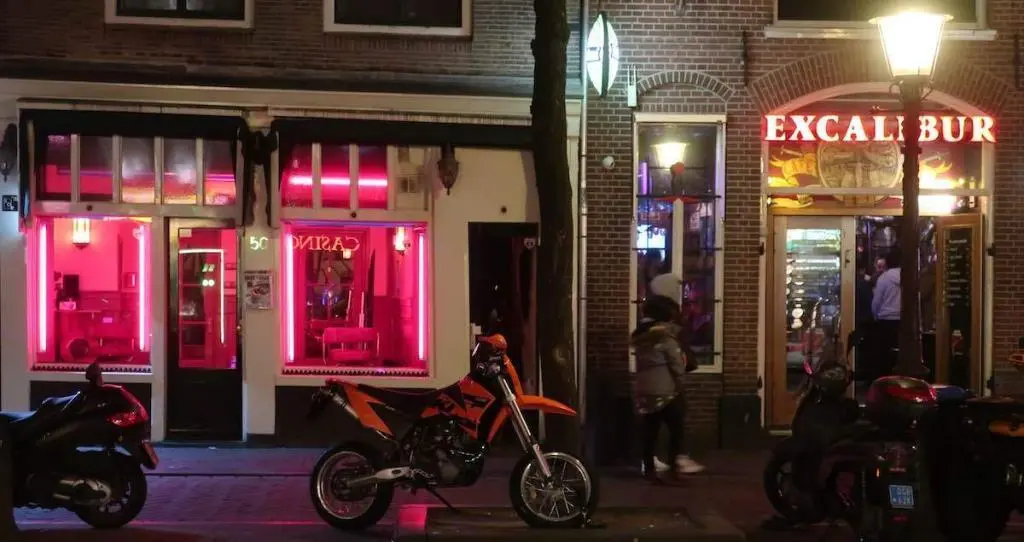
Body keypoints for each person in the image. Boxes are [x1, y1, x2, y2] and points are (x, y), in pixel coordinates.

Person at [632, 295, 705, 481]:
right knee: (677, 429)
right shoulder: (666, 336)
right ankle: (675, 467)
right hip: (667, 391)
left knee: (650, 432)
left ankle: (649, 469)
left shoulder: (641, 337)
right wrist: (681, 383)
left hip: (645, 389)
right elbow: (676, 365)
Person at [871, 252, 902, 378]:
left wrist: (875, 314)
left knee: (884, 354)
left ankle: (885, 380)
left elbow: (877, 301)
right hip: (903, 320)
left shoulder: (883, 278)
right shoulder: (908, 277)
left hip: (886, 320)